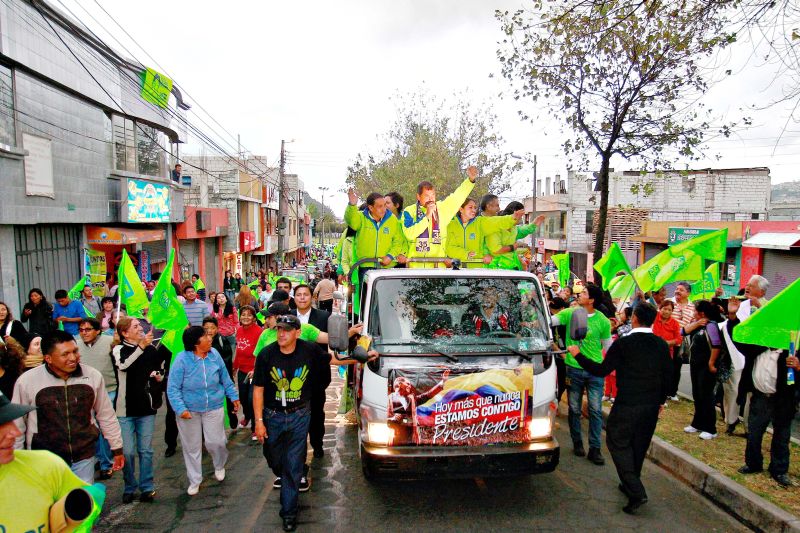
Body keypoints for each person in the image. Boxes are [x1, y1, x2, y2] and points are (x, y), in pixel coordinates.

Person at [569, 303, 672, 514]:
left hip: (628, 404)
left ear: (634, 318)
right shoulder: (661, 344)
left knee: (616, 441)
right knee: (639, 445)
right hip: (651, 405)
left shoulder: (624, 344)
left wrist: (578, 354)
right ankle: (629, 483)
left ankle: (636, 490)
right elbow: (668, 376)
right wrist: (661, 401)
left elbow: (601, 370)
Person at [252, 315, 332, 532]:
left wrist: (363, 358)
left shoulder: (309, 350)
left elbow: (332, 359)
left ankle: (289, 512)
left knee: (293, 463)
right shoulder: (266, 355)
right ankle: (286, 471)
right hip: (272, 416)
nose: (281, 334)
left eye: (286, 330)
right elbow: (258, 390)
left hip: (299, 415)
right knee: (274, 458)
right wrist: (259, 422)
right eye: (279, 329)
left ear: (297, 333)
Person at [12, 330, 124, 483]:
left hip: (83, 456)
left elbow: (106, 415)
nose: (73, 358)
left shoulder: (93, 376)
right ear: (48, 358)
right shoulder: (27, 382)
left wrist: (117, 448)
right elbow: (17, 425)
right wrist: (16, 459)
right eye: (65, 354)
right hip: (44, 460)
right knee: (52, 506)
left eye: (75, 351)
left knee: (81, 504)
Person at [0, 389, 105, 533]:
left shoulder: (45, 465)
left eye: (10, 421)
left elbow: (93, 500)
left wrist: (75, 521)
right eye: (1, 425)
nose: (15, 433)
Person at [167, 326, 240, 496]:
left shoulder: (214, 355)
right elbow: (173, 388)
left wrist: (233, 397)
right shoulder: (182, 360)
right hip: (189, 411)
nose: (210, 338)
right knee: (191, 447)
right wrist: (180, 409)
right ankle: (195, 480)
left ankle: (219, 465)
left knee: (217, 442)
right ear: (195, 343)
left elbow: (225, 378)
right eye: (205, 336)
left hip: (213, 406)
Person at [731, 304, 797, 487]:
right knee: (754, 432)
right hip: (760, 397)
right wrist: (733, 316)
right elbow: (737, 337)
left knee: (782, 436)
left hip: (783, 399)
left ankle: (779, 470)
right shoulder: (758, 345)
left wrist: (798, 365)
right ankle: (753, 463)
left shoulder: (793, 349)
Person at [550, 284, 612, 464]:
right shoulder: (570, 313)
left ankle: (595, 448)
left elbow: (608, 347)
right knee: (575, 409)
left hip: (595, 372)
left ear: (592, 300)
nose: (580, 294)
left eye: (584, 293)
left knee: (594, 410)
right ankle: (577, 442)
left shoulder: (603, 321)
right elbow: (552, 321)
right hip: (573, 369)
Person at [112, 317, 164, 503]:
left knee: (146, 450)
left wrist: (157, 375)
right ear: (125, 333)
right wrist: (140, 347)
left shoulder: (150, 349)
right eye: (135, 326)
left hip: (146, 407)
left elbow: (159, 369)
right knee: (127, 451)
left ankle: (147, 487)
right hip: (125, 409)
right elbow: (123, 365)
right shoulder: (118, 350)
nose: (140, 328)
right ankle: (129, 486)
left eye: (139, 325)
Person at [402, 166, 479, 268]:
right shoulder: (409, 211)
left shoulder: (442, 208)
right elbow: (409, 234)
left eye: (433, 195)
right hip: (415, 268)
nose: (431, 199)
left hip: (438, 268)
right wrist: (427, 216)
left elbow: (457, 197)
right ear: (418, 196)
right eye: (427, 196)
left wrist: (470, 180)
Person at [291, 285, 330, 458]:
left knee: (316, 412)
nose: (302, 298)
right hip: (291, 376)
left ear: (312, 297)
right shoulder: (287, 316)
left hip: (316, 375)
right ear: (294, 298)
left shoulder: (323, 316)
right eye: (298, 295)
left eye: (305, 294)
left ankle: (317, 443)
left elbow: (331, 340)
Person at [75, 318, 116, 480]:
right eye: (81, 330)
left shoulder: (110, 341)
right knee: (93, 430)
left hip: (109, 390)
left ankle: (106, 463)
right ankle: (100, 458)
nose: (84, 333)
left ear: (98, 330)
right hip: (85, 394)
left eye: (88, 329)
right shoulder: (75, 346)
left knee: (104, 427)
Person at [683, 300, 724, 440]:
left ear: (701, 313)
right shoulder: (698, 325)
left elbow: (716, 346)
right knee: (697, 394)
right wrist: (696, 323)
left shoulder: (711, 326)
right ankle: (697, 423)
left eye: (695, 311)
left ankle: (710, 428)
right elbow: (682, 331)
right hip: (695, 366)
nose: (693, 313)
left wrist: (712, 363)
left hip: (706, 367)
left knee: (706, 396)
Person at [344, 190, 408, 276]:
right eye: (380, 206)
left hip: (388, 268)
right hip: (365, 267)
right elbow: (351, 221)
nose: (384, 209)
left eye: (385, 205)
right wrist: (352, 205)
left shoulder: (392, 219)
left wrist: (390, 256)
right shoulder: (361, 217)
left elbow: (398, 241)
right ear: (370, 208)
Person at [445, 197, 522, 268]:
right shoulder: (451, 225)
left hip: (476, 271)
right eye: (470, 207)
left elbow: (496, 222)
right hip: (456, 271)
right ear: (461, 209)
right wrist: (466, 254)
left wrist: (512, 218)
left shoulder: (480, 222)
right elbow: (450, 248)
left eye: (475, 208)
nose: (474, 210)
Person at [485, 202, 543, 270]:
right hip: (497, 267)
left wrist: (534, 224)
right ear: (514, 214)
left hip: (512, 265)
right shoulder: (496, 227)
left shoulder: (514, 228)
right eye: (520, 216)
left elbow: (523, 230)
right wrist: (512, 247)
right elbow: (496, 249)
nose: (520, 220)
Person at [234, 306, 263, 440]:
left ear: (254, 318)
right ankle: (247, 416)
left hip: (254, 372)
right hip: (242, 370)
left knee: (252, 399)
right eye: (243, 315)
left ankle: (255, 427)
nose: (246, 317)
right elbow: (239, 351)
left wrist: (256, 369)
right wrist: (234, 367)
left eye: (249, 315)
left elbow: (261, 353)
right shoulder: (239, 331)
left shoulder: (259, 332)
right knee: (244, 398)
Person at [203, 316, 238, 429]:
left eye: (212, 328)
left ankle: (232, 417)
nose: (209, 331)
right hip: (208, 379)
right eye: (206, 328)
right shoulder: (200, 342)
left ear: (217, 329)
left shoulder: (222, 340)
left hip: (223, 375)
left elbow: (227, 360)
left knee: (229, 398)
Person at [667, 281, 695, 401]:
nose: (677, 291)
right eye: (677, 289)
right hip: (666, 339)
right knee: (664, 366)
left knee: (676, 366)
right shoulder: (669, 302)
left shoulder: (692, 306)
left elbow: (693, 322)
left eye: (681, 290)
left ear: (688, 293)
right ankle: (662, 390)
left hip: (680, 342)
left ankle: (672, 392)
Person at [212, 293, 238, 357]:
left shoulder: (232, 308)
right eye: (218, 298)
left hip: (231, 334)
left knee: (233, 353)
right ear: (216, 301)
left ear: (226, 299)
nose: (221, 299)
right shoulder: (215, 311)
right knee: (222, 353)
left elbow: (236, 321)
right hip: (220, 335)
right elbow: (213, 323)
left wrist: (237, 331)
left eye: (222, 297)